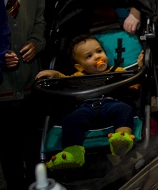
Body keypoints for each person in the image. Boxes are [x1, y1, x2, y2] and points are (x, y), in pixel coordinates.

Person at [36, 35, 142, 170]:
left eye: (99, 51)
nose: (97, 57)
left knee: (124, 109)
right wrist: (55, 75)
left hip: (111, 104)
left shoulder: (117, 71)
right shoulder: (78, 76)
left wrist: (140, 68)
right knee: (70, 120)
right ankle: (73, 153)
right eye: (89, 56)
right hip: (86, 108)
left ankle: (121, 139)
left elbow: (135, 85)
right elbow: (64, 81)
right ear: (79, 67)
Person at [0, 0, 45, 190]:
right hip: (1, 86)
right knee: (8, 146)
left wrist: (36, 43)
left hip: (30, 80)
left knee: (32, 139)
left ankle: (35, 186)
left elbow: (40, 22)